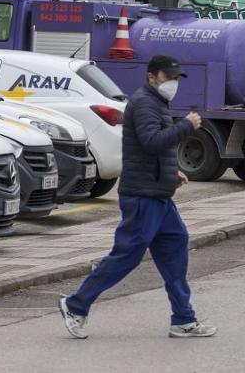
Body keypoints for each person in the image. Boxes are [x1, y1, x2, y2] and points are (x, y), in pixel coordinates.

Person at [59, 54, 216, 339]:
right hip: (142, 195)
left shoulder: (156, 102)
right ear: (152, 77)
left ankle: (183, 319)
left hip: (157, 192)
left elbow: (153, 148)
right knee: (127, 255)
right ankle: (75, 304)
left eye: (176, 78)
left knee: (175, 246)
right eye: (168, 77)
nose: (173, 83)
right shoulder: (144, 102)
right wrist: (186, 127)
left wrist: (172, 173)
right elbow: (152, 141)